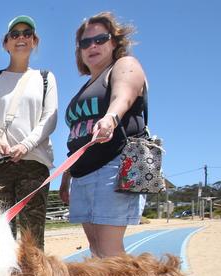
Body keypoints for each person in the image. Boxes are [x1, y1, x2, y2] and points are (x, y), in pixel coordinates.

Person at [59, 12, 148, 258]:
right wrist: (67, 178)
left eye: (100, 39)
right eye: (85, 43)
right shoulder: (85, 87)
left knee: (110, 252)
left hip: (112, 166)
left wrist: (110, 117)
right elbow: (78, 136)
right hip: (82, 175)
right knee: (97, 250)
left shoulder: (123, 66)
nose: (92, 46)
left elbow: (124, 95)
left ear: (114, 42)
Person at [0, 15, 58, 251]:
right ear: (6, 43)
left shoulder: (45, 78)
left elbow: (49, 118)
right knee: (0, 236)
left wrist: (26, 145)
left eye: (27, 33)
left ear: (34, 41)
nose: (21, 38)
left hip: (33, 163)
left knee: (33, 239)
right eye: (15, 34)